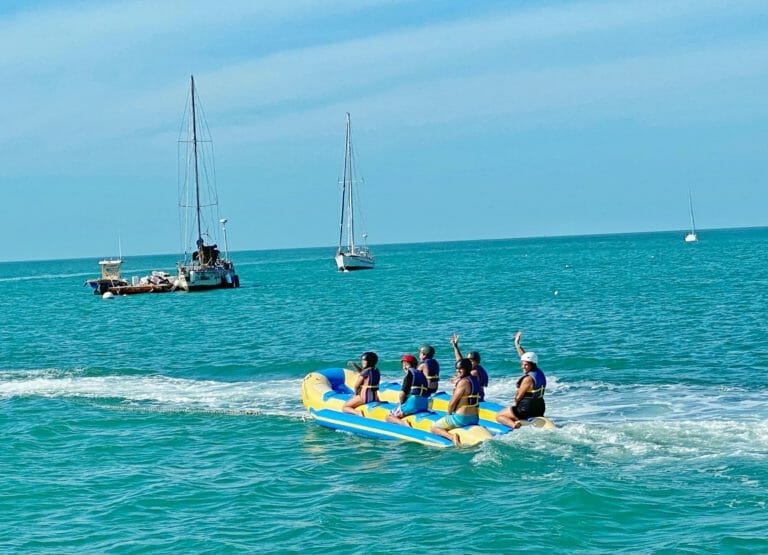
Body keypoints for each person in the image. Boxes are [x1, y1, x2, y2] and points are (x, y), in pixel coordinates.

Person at [496, 331, 546, 429]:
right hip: (540, 408)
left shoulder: (528, 379)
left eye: (526, 365)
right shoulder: (538, 372)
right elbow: (524, 357)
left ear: (531, 364)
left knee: (499, 416)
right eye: (522, 364)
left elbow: (518, 397)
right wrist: (517, 344)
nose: (523, 366)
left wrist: (515, 407)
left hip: (526, 410)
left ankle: (514, 425)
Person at [430, 358, 481, 446]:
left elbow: (452, 403)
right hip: (475, 418)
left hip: (460, 419)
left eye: (460, 368)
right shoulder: (475, 380)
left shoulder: (463, 382)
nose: (458, 370)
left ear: (467, 369)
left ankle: (452, 437)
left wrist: (449, 414)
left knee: (434, 427)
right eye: (457, 369)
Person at [386, 354, 431, 426]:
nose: (404, 367)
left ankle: (403, 423)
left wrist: (401, 404)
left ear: (413, 365)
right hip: (424, 404)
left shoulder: (408, 376)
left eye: (406, 365)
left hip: (412, 405)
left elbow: (402, 394)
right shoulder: (421, 375)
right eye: (403, 365)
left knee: (389, 416)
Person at [449, 333, 489, 401]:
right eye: (468, 361)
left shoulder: (474, 372)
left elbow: (463, 382)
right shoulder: (470, 368)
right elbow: (460, 362)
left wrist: (456, 380)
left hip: (474, 399)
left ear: (477, 362)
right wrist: (455, 346)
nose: (469, 363)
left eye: (472, 361)